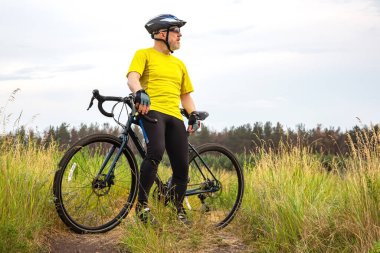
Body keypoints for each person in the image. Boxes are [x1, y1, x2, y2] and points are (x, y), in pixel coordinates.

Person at [126, 14, 200, 225]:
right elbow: (133, 77)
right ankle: (142, 208)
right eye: (176, 31)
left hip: (175, 116)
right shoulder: (143, 54)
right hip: (152, 111)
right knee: (155, 152)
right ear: (161, 34)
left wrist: (192, 113)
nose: (180, 35)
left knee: (182, 167)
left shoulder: (179, 64)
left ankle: (177, 210)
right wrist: (139, 91)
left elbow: (185, 95)